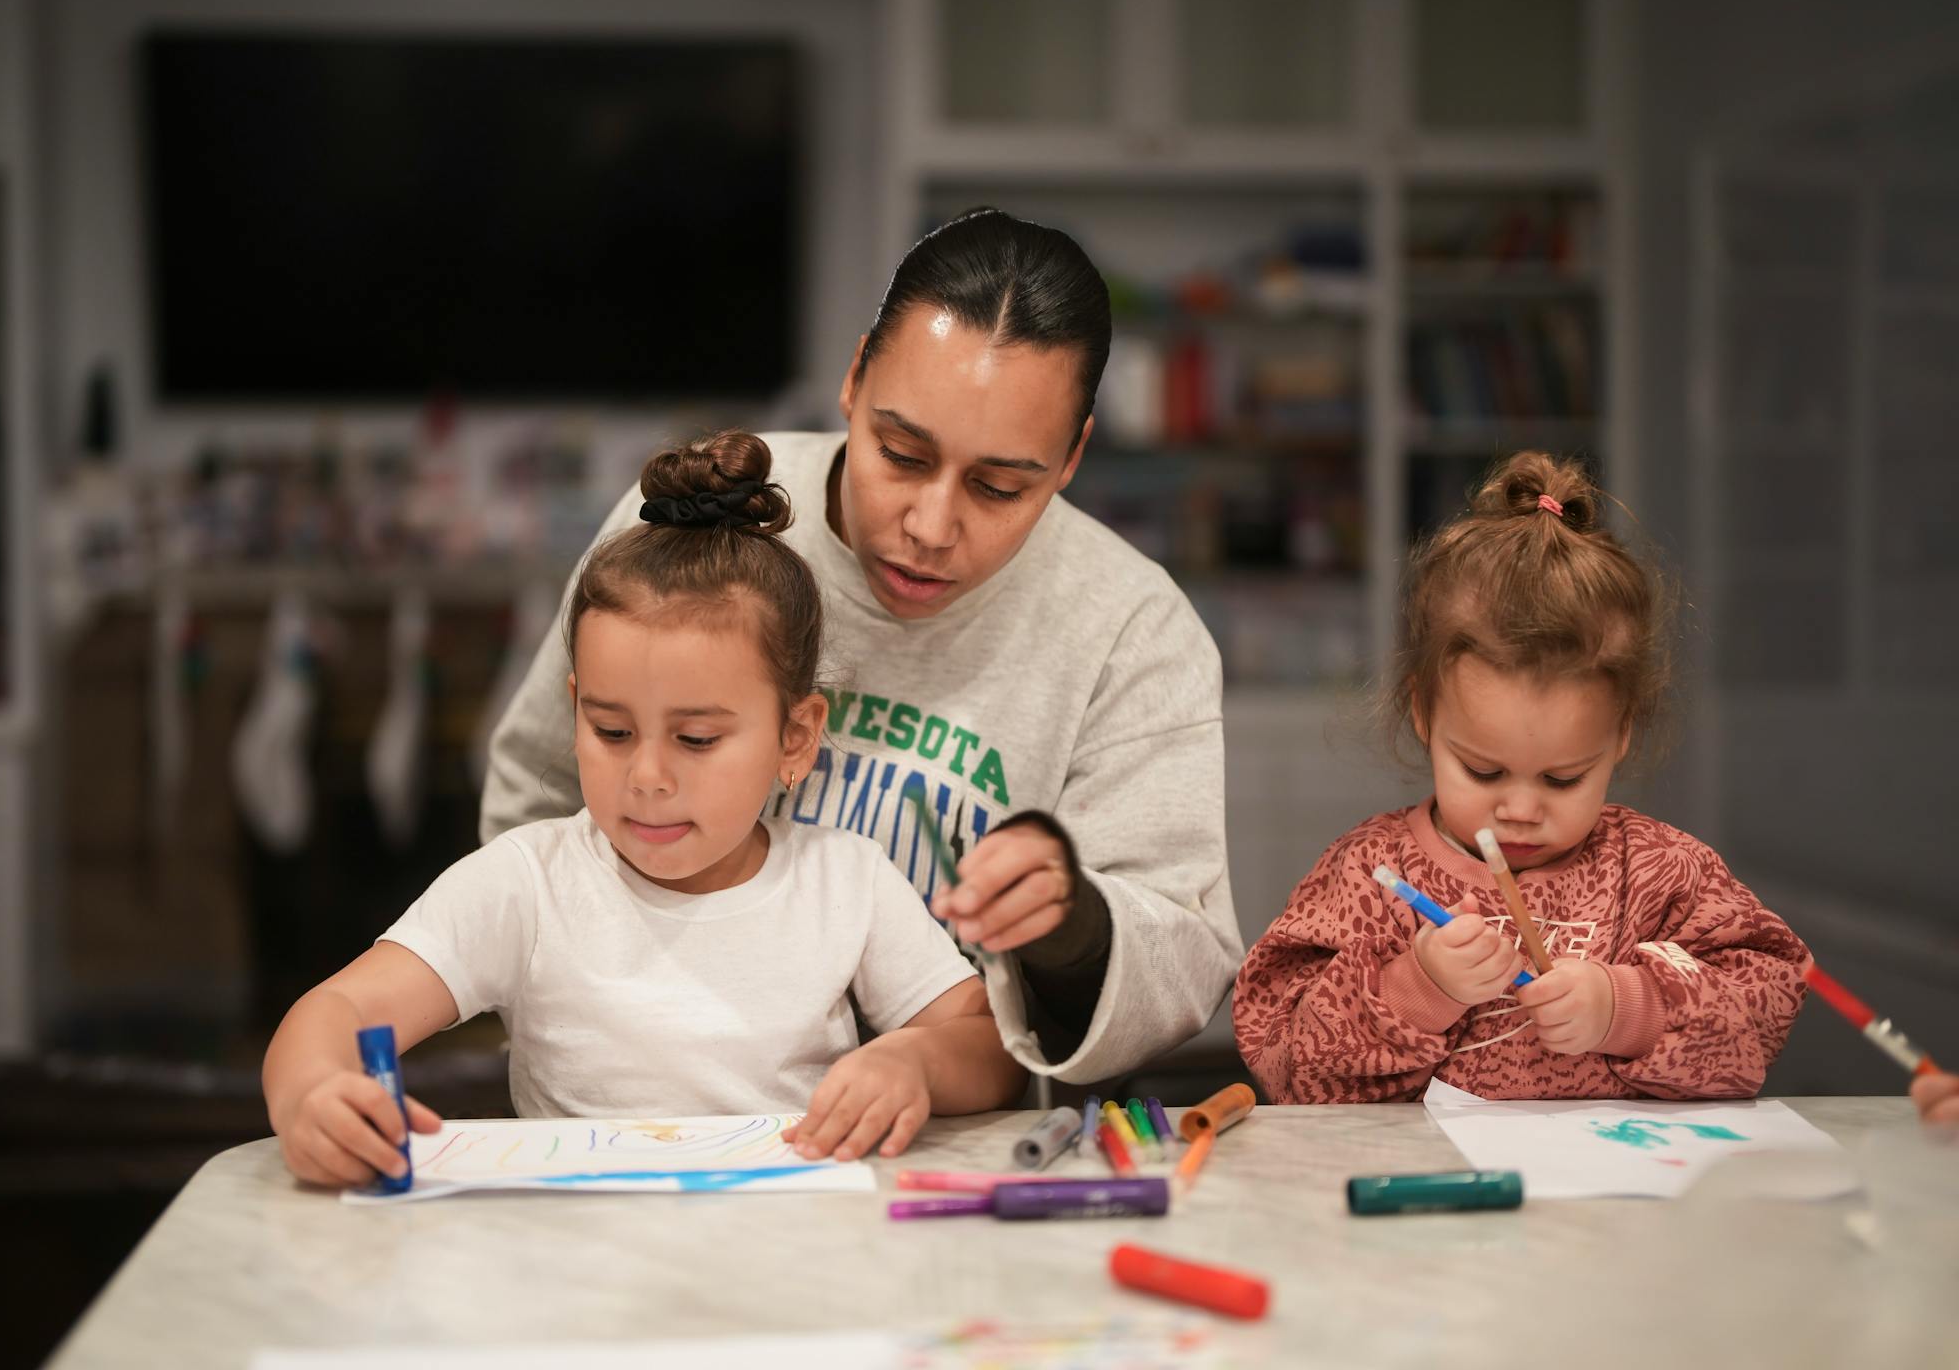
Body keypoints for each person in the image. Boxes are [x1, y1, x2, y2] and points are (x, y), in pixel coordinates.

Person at [482, 208, 1241, 1084]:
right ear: (853, 380)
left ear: (1070, 460)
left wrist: (1073, 927)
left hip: (962, 1139)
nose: (931, 525)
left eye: (998, 488)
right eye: (901, 454)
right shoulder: (704, 526)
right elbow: (535, 796)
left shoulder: (1132, 627)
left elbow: (1182, 957)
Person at [262, 433, 1025, 1186]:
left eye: (696, 738)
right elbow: (332, 1012)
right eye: (612, 731)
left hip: (787, 1267)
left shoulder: (845, 882)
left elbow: (988, 1048)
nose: (648, 776)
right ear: (575, 711)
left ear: (795, 737)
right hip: (580, 1274)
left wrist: (916, 1061)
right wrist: (311, 1096)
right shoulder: (529, 884)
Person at [1233, 452, 1808, 1103]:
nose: (1521, 809)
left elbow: (1767, 1004)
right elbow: (1287, 1068)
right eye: (1484, 770)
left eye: (1563, 779)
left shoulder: (1662, 874)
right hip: (1429, 1195)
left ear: (1620, 735)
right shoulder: (1369, 873)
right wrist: (1419, 987)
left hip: (1611, 1196)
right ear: (1422, 712)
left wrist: (1627, 1008)